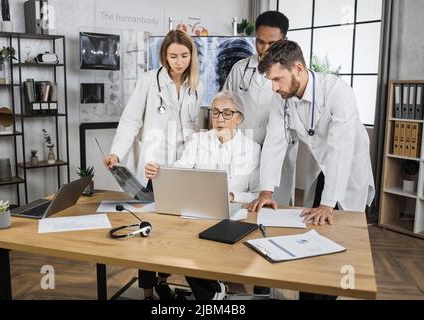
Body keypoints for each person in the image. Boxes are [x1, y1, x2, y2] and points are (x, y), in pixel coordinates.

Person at [103, 30, 204, 300]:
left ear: (191, 55)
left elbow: (196, 129)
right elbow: (130, 120)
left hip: (183, 168)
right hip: (153, 168)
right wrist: (116, 153)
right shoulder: (149, 81)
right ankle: (147, 293)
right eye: (173, 56)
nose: (179, 61)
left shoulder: (198, 84)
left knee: (175, 229)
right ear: (164, 56)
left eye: (184, 55)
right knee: (149, 227)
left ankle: (163, 282)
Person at [145, 90, 261, 300]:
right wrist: (159, 171)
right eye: (215, 112)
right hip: (198, 214)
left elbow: (255, 193)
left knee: (198, 245)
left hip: (231, 216)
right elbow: (181, 170)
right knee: (183, 241)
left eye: (227, 113)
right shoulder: (198, 140)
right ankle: (212, 292)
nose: (219, 118)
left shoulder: (252, 149)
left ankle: (211, 291)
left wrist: (235, 196)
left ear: (239, 118)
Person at [250, 39, 375, 226]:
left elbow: (340, 149)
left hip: (348, 163)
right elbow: (274, 142)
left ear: (298, 68)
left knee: (347, 224)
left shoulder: (338, 92)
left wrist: (327, 203)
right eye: (270, 81)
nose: (274, 88)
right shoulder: (282, 97)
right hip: (319, 161)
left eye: (277, 79)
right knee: (314, 221)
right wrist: (266, 191)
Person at [223, 11, 297, 207]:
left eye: (271, 43)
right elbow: (225, 104)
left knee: (277, 205)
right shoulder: (240, 69)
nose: (264, 48)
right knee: (241, 201)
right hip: (244, 146)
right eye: (260, 41)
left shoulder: (292, 73)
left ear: (284, 40)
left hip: (280, 148)